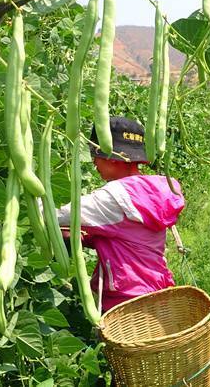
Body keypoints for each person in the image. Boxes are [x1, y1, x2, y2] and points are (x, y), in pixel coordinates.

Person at [55, 117, 185, 312]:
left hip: (126, 303)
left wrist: (23, 201)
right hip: (155, 292)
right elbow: (129, 236)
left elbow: (54, 214)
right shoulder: (151, 191)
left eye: (96, 153)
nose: (93, 162)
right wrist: (89, 238)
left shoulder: (114, 198)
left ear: (113, 155)